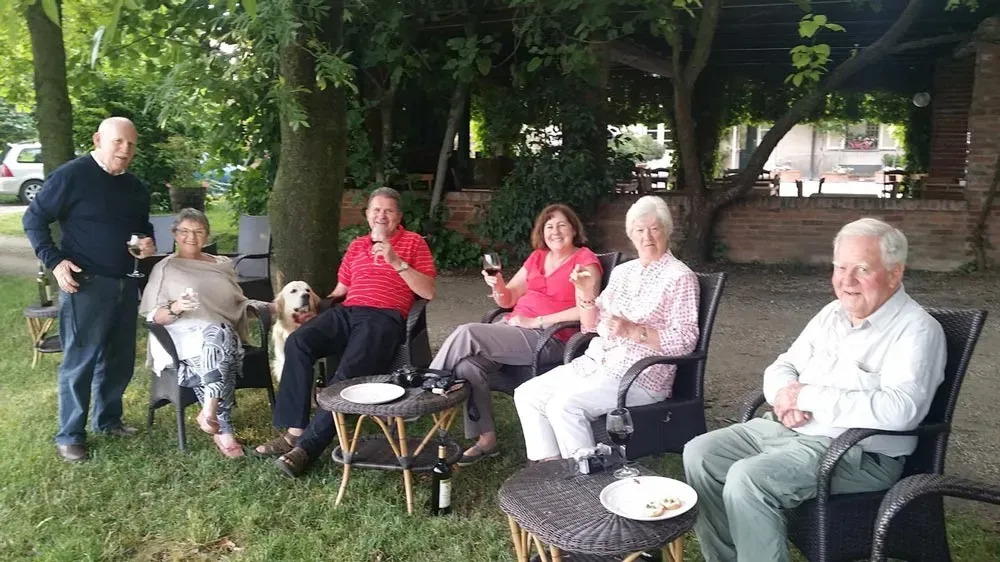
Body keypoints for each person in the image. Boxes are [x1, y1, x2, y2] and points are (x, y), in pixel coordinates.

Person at [682, 218, 947, 562]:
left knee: (749, 478)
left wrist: (805, 396)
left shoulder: (917, 330)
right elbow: (783, 365)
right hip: (791, 429)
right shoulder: (831, 314)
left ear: (895, 273)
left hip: (856, 453)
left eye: (862, 269)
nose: (846, 280)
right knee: (700, 453)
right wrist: (782, 395)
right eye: (840, 267)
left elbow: (902, 409)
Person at [254, 187, 436, 477]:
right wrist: (315, 308)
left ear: (398, 216)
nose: (381, 215)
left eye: (388, 210)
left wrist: (396, 262)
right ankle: (294, 431)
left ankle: (306, 449)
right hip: (348, 312)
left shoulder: (413, 243)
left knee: (345, 375)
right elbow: (340, 291)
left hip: (383, 318)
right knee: (299, 342)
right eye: (375, 210)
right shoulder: (356, 246)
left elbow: (427, 290)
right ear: (367, 215)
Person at [513, 196, 700, 461]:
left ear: (667, 231)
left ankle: (587, 480)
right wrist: (585, 291)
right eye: (639, 230)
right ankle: (552, 469)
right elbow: (590, 325)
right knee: (528, 394)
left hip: (640, 375)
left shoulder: (680, 277)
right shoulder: (624, 272)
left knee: (565, 405)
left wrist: (635, 331)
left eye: (654, 228)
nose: (647, 236)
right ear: (630, 235)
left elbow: (686, 340)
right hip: (597, 364)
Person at [22, 117, 155, 462]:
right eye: (118, 142)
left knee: (119, 360)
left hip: (126, 283)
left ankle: (108, 420)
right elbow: (33, 219)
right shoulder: (72, 176)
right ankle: (70, 434)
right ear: (98, 139)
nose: (125, 150)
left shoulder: (135, 187)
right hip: (86, 285)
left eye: (131, 144)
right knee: (80, 360)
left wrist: (145, 244)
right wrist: (55, 261)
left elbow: (142, 228)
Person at [429, 204, 603, 466]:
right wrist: (497, 284)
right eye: (549, 227)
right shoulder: (536, 257)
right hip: (514, 329)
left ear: (574, 229)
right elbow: (508, 297)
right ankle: (486, 440)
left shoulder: (585, 260)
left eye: (562, 225)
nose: (555, 232)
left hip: (551, 338)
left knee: (467, 333)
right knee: (468, 366)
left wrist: (536, 321)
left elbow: (587, 309)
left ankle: (424, 389)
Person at [139, 209, 249, 458]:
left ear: (207, 235)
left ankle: (211, 415)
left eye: (199, 231)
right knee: (221, 348)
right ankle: (220, 425)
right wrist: (177, 307)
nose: (192, 237)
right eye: (185, 231)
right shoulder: (165, 268)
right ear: (175, 234)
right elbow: (154, 316)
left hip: (218, 331)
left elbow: (237, 301)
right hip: (181, 334)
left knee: (218, 333)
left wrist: (272, 307)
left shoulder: (220, 264)